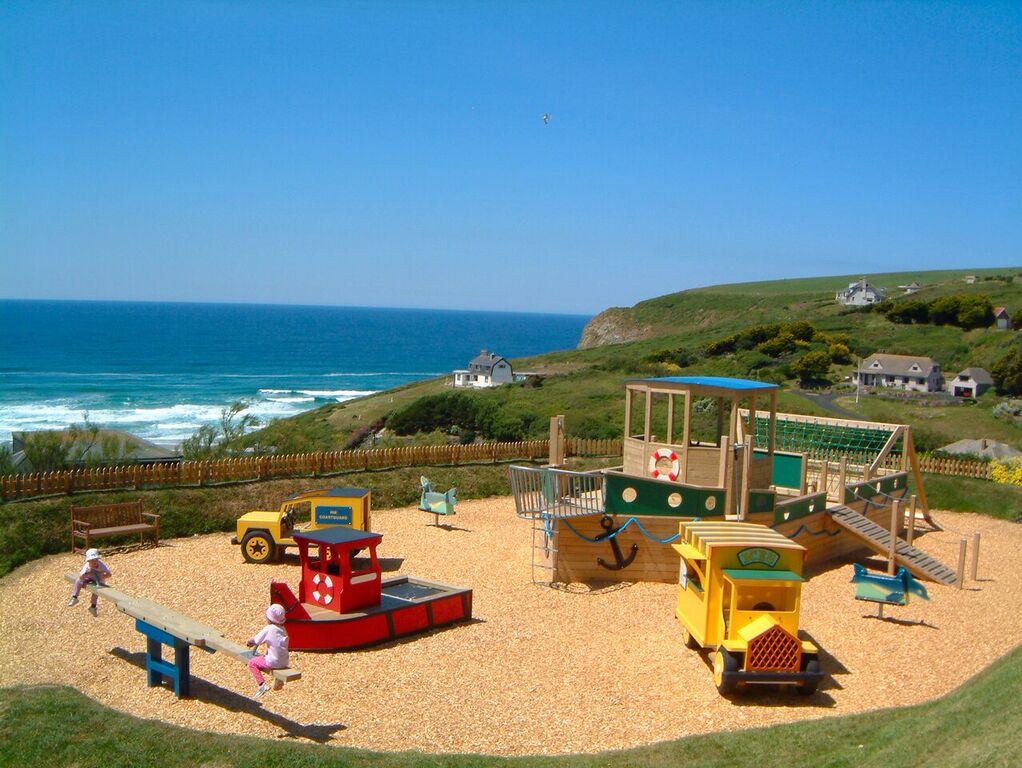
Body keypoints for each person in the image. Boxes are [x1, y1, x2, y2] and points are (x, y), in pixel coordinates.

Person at [246, 604, 289, 699]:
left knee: (252, 663)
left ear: (270, 619)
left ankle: (262, 684)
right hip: (284, 661)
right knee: (271, 652)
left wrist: (250, 642)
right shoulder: (283, 629)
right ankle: (279, 679)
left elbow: (257, 640)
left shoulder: (270, 629)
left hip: (273, 662)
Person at [68, 548, 111, 617]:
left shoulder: (101, 565)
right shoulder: (87, 566)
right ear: (88, 561)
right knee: (78, 581)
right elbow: (81, 577)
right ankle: (74, 597)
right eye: (91, 561)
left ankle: (93, 607)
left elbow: (109, 574)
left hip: (98, 579)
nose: (94, 562)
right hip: (89, 577)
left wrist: (103, 575)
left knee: (96, 590)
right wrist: (85, 575)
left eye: (96, 560)